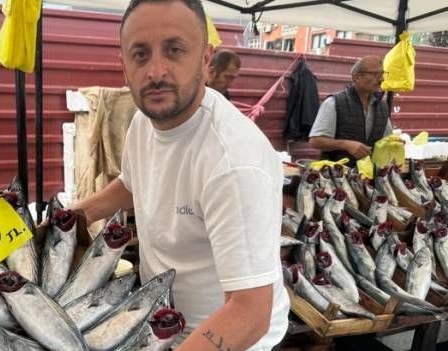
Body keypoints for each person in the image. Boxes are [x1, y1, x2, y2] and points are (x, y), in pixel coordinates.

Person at [70, 0, 289, 350]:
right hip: (160, 323)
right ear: (123, 64)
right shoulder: (145, 121)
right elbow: (131, 183)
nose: (156, 71)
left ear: (205, 60)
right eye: (140, 55)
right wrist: (70, 219)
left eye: (174, 50)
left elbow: (250, 313)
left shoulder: (233, 162)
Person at [309, 55, 392, 165]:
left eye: (382, 74)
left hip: (369, 176)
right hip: (338, 176)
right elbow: (315, 141)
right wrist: (345, 144)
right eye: (375, 74)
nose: (381, 79)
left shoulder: (382, 107)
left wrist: (396, 144)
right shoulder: (334, 103)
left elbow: (387, 140)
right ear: (357, 77)